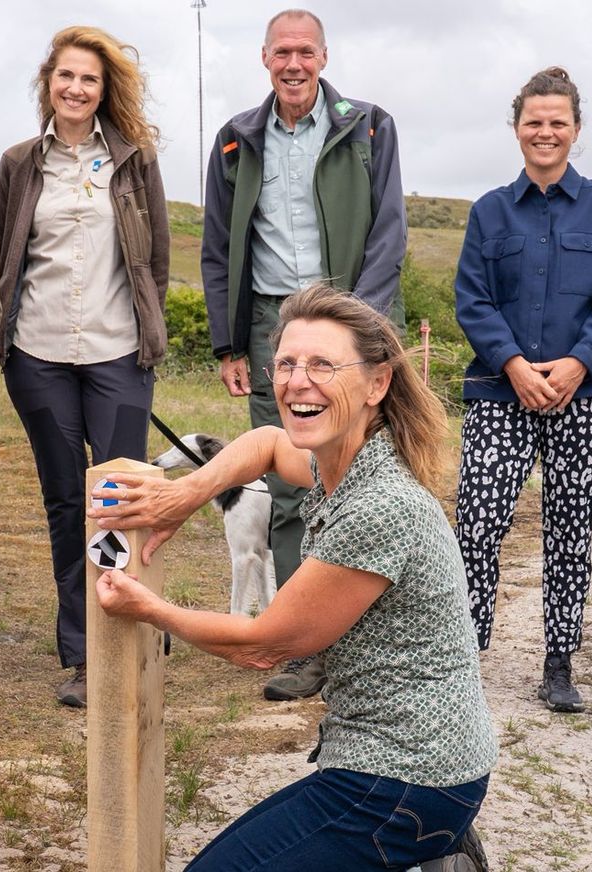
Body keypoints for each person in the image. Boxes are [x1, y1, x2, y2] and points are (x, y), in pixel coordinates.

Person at [90, 284, 495, 870]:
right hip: (405, 766)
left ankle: (428, 849)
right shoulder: (342, 462)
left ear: (376, 384)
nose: (296, 380)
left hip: (408, 782)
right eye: (286, 363)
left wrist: (148, 609)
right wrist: (185, 494)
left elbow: (266, 645)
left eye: (323, 364)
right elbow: (264, 443)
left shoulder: (378, 506)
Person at [200, 8, 408, 702]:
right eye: (281, 52)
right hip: (270, 325)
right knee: (291, 478)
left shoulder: (369, 126)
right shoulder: (236, 140)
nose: (293, 64)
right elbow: (219, 246)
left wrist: (367, 327)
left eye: (304, 52)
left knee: (366, 474)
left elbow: (387, 230)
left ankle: (370, 635)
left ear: (323, 57)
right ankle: (302, 643)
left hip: (350, 317)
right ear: (265, 59)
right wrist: (230, 340)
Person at [452, 67, 592, 713]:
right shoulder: (489, 211)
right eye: (534, 120)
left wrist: (577, 365)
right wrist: (512, 365)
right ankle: (466, 655)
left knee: (569, 526)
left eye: (558, 121)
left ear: (576, 130)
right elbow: (472, 300)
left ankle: (558, 663)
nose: (545, 131)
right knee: (476, 520)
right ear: (517, 129)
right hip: (500, 391)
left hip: (585, 394)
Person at [0, 26, 170, 708]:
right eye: (65, 76)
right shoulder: (18, 164)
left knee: (119, 502)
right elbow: (5, 254)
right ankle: (86, 655)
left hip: (118, 354)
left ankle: (135, 622)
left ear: (104, 90)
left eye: (88, 79)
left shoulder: (134, 161)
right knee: (67, 503)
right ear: (49, 84)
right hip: (37, 357)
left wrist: (147, 333)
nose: (75, 88)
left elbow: (154, 260)